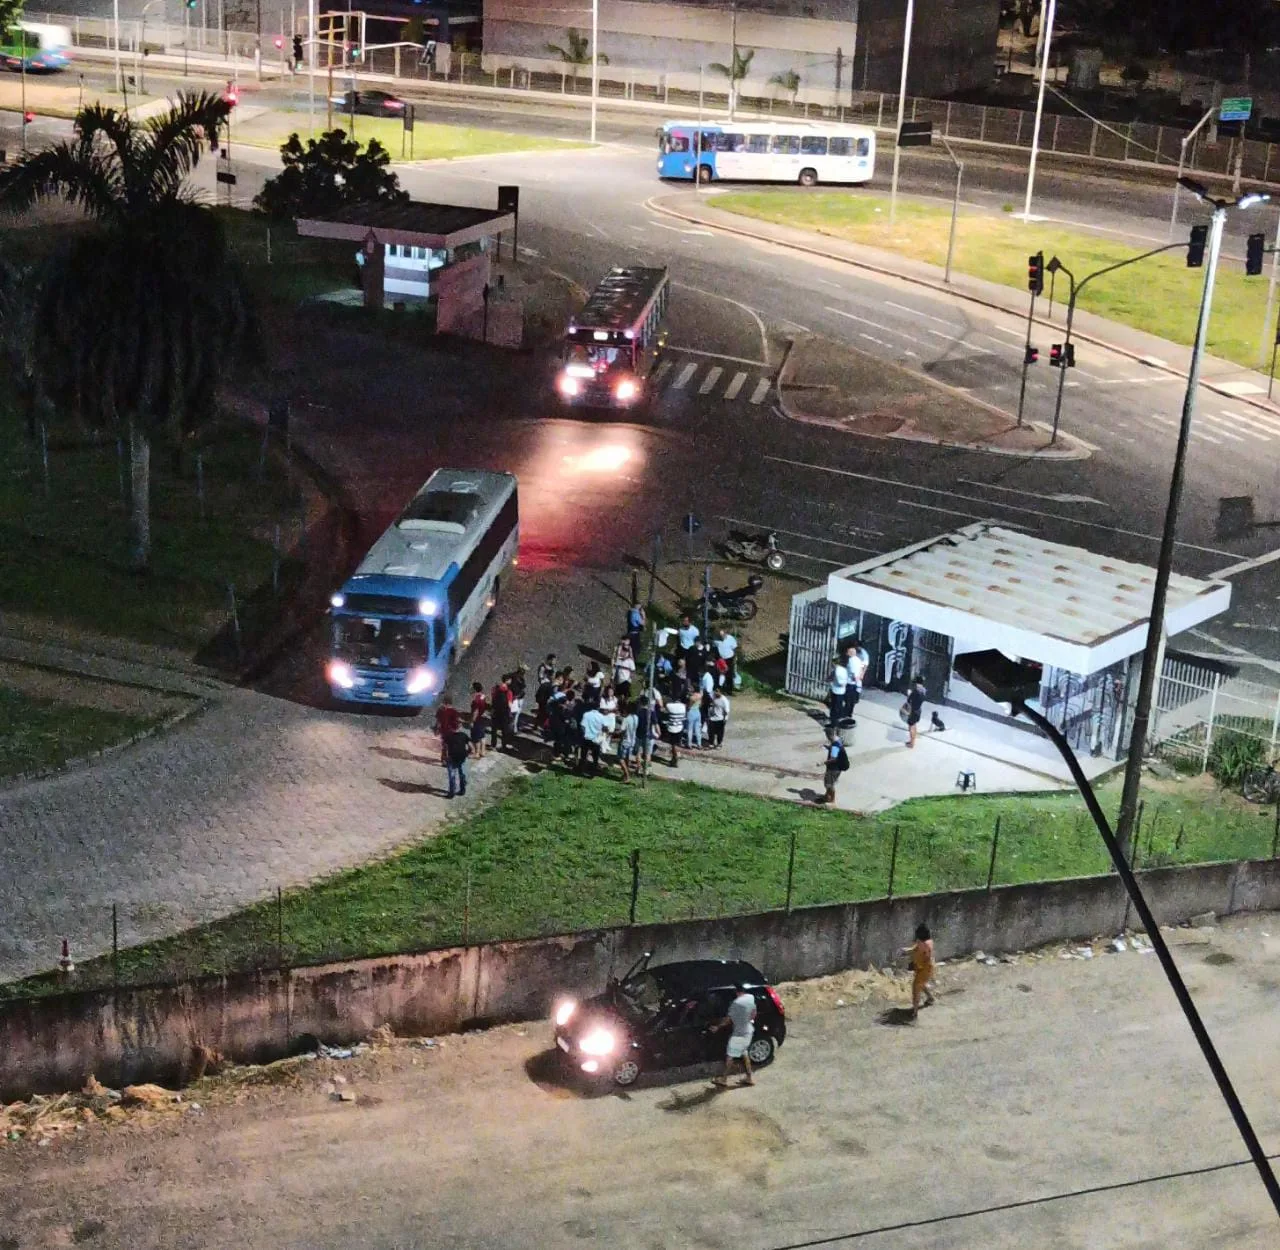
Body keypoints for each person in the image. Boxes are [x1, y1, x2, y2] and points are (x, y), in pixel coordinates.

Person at [711, 984, 757, 1088]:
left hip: (739, 1034)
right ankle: (749, 1077)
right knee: (744, 1053)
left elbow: (728, 1020)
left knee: (730, 1056)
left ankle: (723, 1079)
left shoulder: (735, 1003)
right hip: (749, 1031)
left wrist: (717, 1027)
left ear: (737, 992)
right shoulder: (751, 998)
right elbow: (753, 1014)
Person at [907, 923, 936, 1018]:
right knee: (921, 985)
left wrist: (912, 957)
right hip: (924, 968)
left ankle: (915, 1012)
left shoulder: (924, 945)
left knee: (916, 988)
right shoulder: (928, 942)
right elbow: (915, 949)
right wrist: (906, 951)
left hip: (924, 969)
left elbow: (920, 952)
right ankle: (930, 998)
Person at [821, 728, 849, 804]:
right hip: (837, 768)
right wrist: (828, 747)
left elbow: (833, 759)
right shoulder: (838, 740)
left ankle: (832, 800)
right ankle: (827, 796)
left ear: (829, 735)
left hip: (833, 769)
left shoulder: (835, 746)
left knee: (830, 784)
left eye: (827, 735)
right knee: (828, 783)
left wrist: (822, 763)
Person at [846, 639, 870, 724]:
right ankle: (848, 710)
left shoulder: (863, 654)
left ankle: (850, 709)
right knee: (850, 696)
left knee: (854, 693)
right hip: (851, 678)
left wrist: (862, 674)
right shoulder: (852, 653)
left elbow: (865, 665)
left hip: (857, 676)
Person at [579, 702, 608, 772]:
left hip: (586, 738)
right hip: (596, 739)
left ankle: (581, 768)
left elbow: (582, 726)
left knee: (583, 755)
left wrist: (583, 735)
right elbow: (605, 728)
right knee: (595, 756)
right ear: (598, 708)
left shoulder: (586, 714)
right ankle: (594, 770)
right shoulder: (601, 716)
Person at [444, 726, 471, 799]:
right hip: (462, 757)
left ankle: (452, 792)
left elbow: (446, 748)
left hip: (452, 757)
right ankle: (462, 790)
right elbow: (470, 747)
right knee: (462, 773)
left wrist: (446, 757)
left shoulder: (448, 736)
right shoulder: (463, 735)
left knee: (452, 775)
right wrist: (467, 753)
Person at [433, 694, 460, 766]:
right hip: (452, 731)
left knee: (445, 746)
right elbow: (456, 722)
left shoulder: (440, 710)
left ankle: (444, 760)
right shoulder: (454, 711)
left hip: (444, 731)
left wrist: (436, 730)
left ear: (444, 702)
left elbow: (438, 721)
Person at [662, 691, 687, 767]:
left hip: (672, 728)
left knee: (673, 744)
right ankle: (674, 757)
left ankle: (675, 756)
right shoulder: (683, 706)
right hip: (680, 727)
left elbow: (664, 710)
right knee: (677, 743)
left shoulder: (670, 706)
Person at [617, 700, 639, 783]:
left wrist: (613, 732)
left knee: (620, 759)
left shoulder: (626, 719)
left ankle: (627, 775)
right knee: (626, 759)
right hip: (632, 741)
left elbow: (622, 730)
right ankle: (625, 774)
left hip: (625, 741)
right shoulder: (636, 718)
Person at [490, 676, 513, 751]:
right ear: (507, 680)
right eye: (510, 680)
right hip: (504, 713)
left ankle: (493, 745)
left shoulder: (495, 689)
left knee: (494, 729)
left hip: (496, 712)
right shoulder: (509, 692)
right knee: (504, 730)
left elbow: (492, 699)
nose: (511, 681)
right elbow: (510, 705)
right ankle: (504, 746)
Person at [904, 674, 927, 749]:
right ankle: (913, 740)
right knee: (914, 725)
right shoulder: (924, 690)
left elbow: (909, 700)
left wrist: (909, 694)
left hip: (913, 711)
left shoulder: (915, 691)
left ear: (917, 683)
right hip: (919, 710)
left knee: (911, 727)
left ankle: (911, 743)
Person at [828, 655, 850, 728]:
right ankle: (837, 722)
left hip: (836, 691)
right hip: (842, 692)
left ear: (834, 663)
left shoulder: (837, 671)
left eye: (832, 664)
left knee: (834, 708)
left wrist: (832, 682)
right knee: (839, 707)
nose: (831, 665)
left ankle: (834, 724)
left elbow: (840, 682)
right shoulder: (843, 669)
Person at [469, 682, 488, 760]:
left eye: (472, 688)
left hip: (477, 719)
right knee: (482, 735)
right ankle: (483, 751)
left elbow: (475, 711)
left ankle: (476, 753)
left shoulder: (476, 699)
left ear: (474, 689)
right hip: (483, 718)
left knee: (476, 737)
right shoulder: (483, 696)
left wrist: (472, 721)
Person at [508, 665, 528, 733]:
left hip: (514, 697)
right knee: (516, 713)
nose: (525, 672)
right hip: (517, 697)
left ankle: (512, 727)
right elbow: (522, 686)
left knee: (513, 713)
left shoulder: (511, 675)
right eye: (524, 670)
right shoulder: (519, 678)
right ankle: (513, 728)